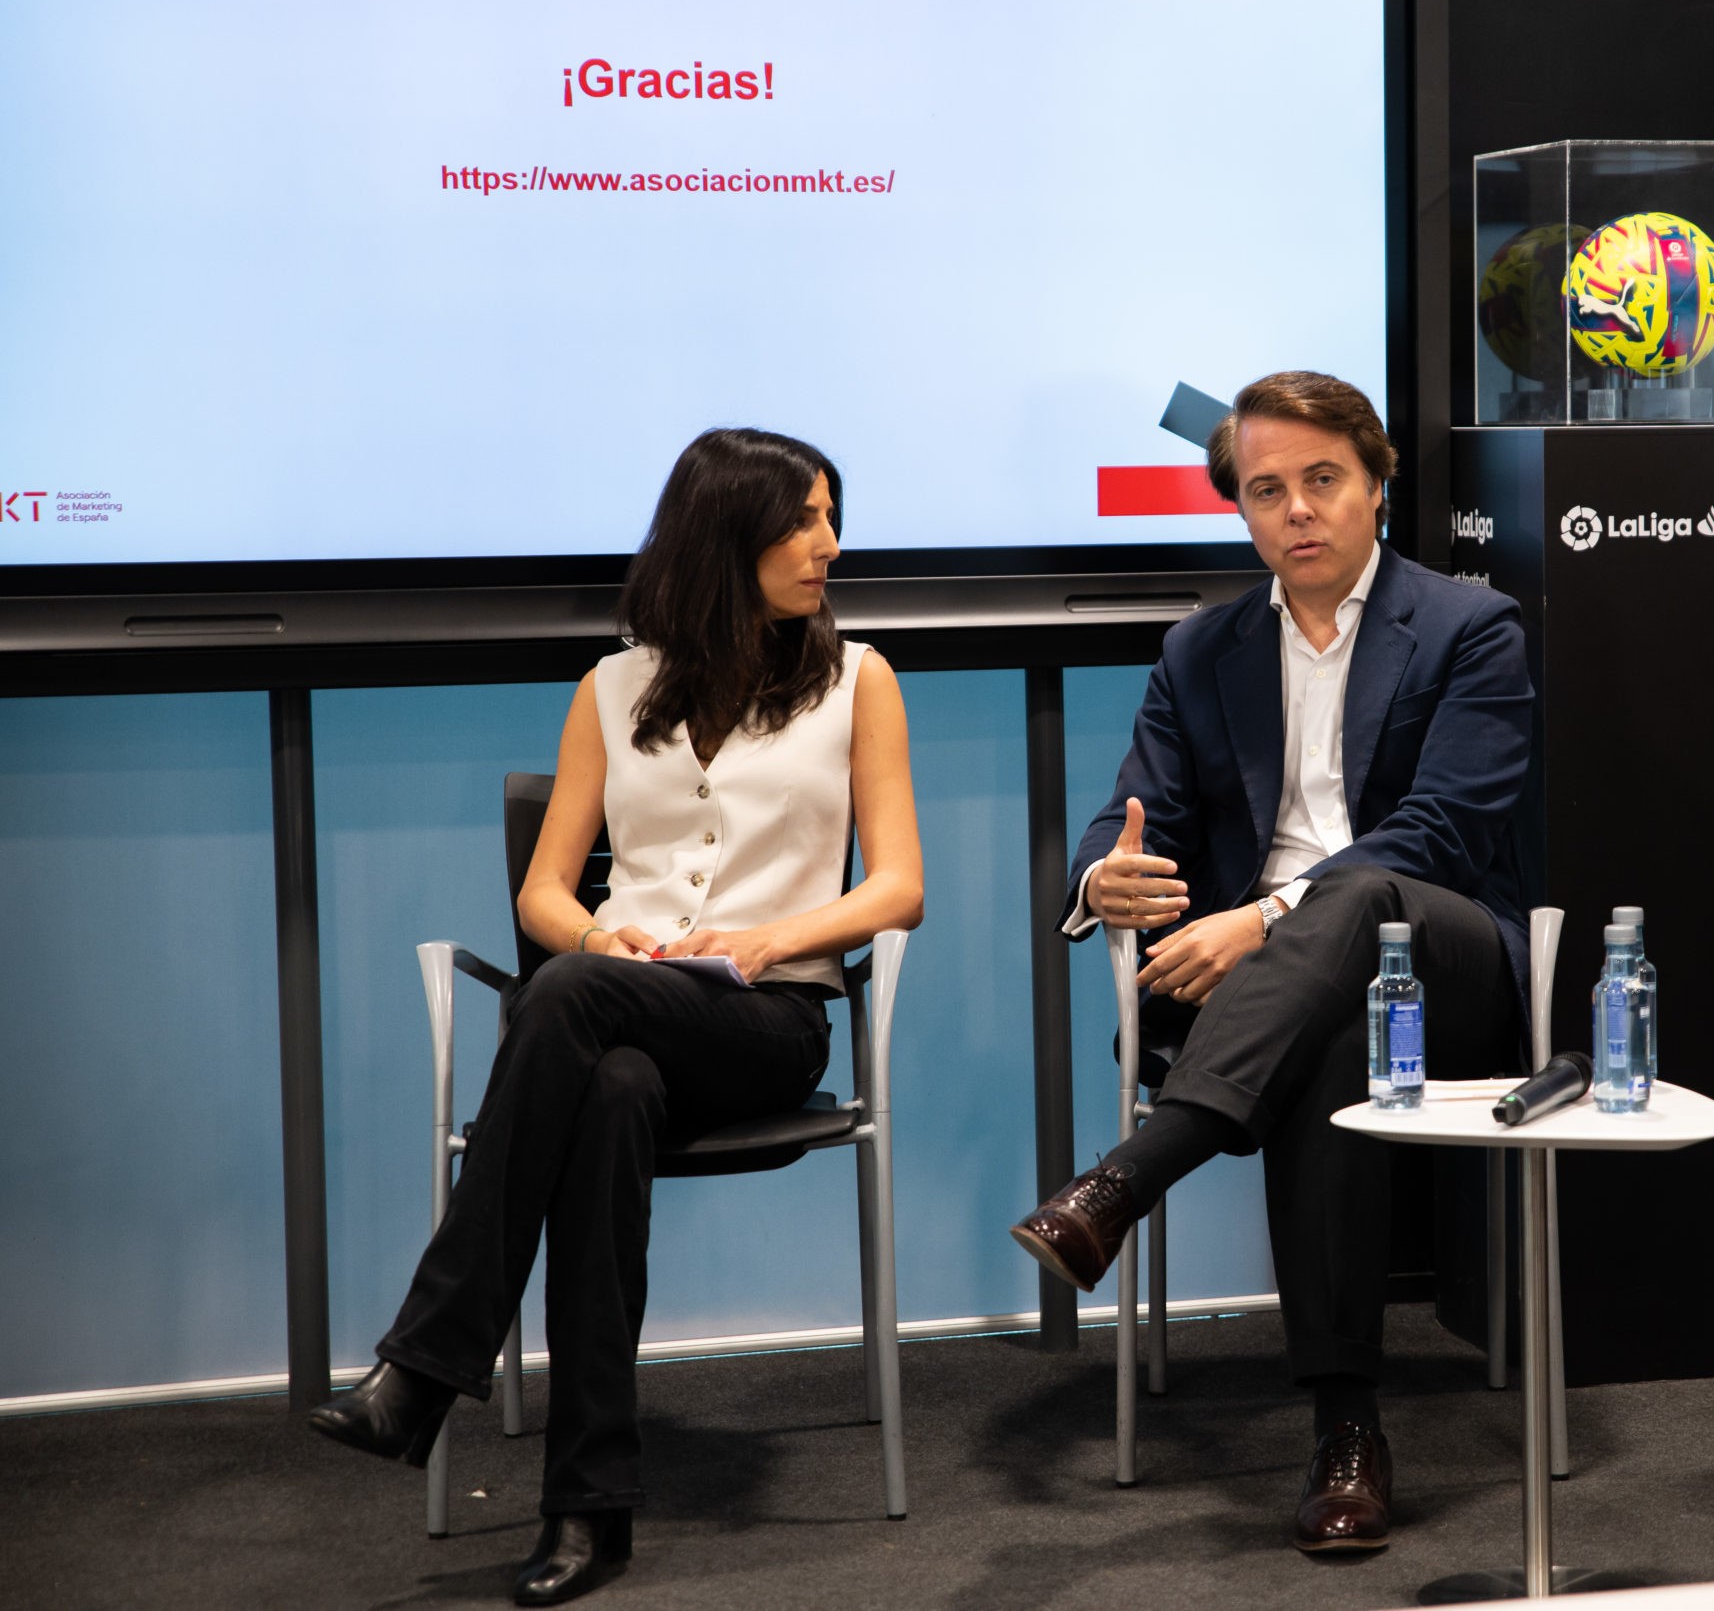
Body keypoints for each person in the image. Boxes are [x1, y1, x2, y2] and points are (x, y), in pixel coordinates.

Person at [307, 429, 924, 1606]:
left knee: (562, 995)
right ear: (724, 537)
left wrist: (770, 937)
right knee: (609, 1086)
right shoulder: (611, 686)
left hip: (766, 1020)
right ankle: (588, 1508)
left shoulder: (860, 679)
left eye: (830, 516)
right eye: (803, 520)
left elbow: (899, 886)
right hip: (624, 1007)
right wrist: (608, 939)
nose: (830, 544)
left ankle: (425, 1365)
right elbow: (547, 892)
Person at [1008, 371, 1533, 1553]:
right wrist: (1103, 882)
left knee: (1361, 901)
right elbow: (1127, 819)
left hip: (1440, 965)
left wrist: (1263, 918)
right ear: (1239, 506)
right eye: (1265, 489)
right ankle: (1347, 1434)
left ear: (1378, 483)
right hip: (1279, 1007)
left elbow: (1446, 830)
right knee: (1330, 1034)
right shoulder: (1202, 650)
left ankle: (1124, 1180)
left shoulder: (1469, 625)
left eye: (1322, 479)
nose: (1296, 509)